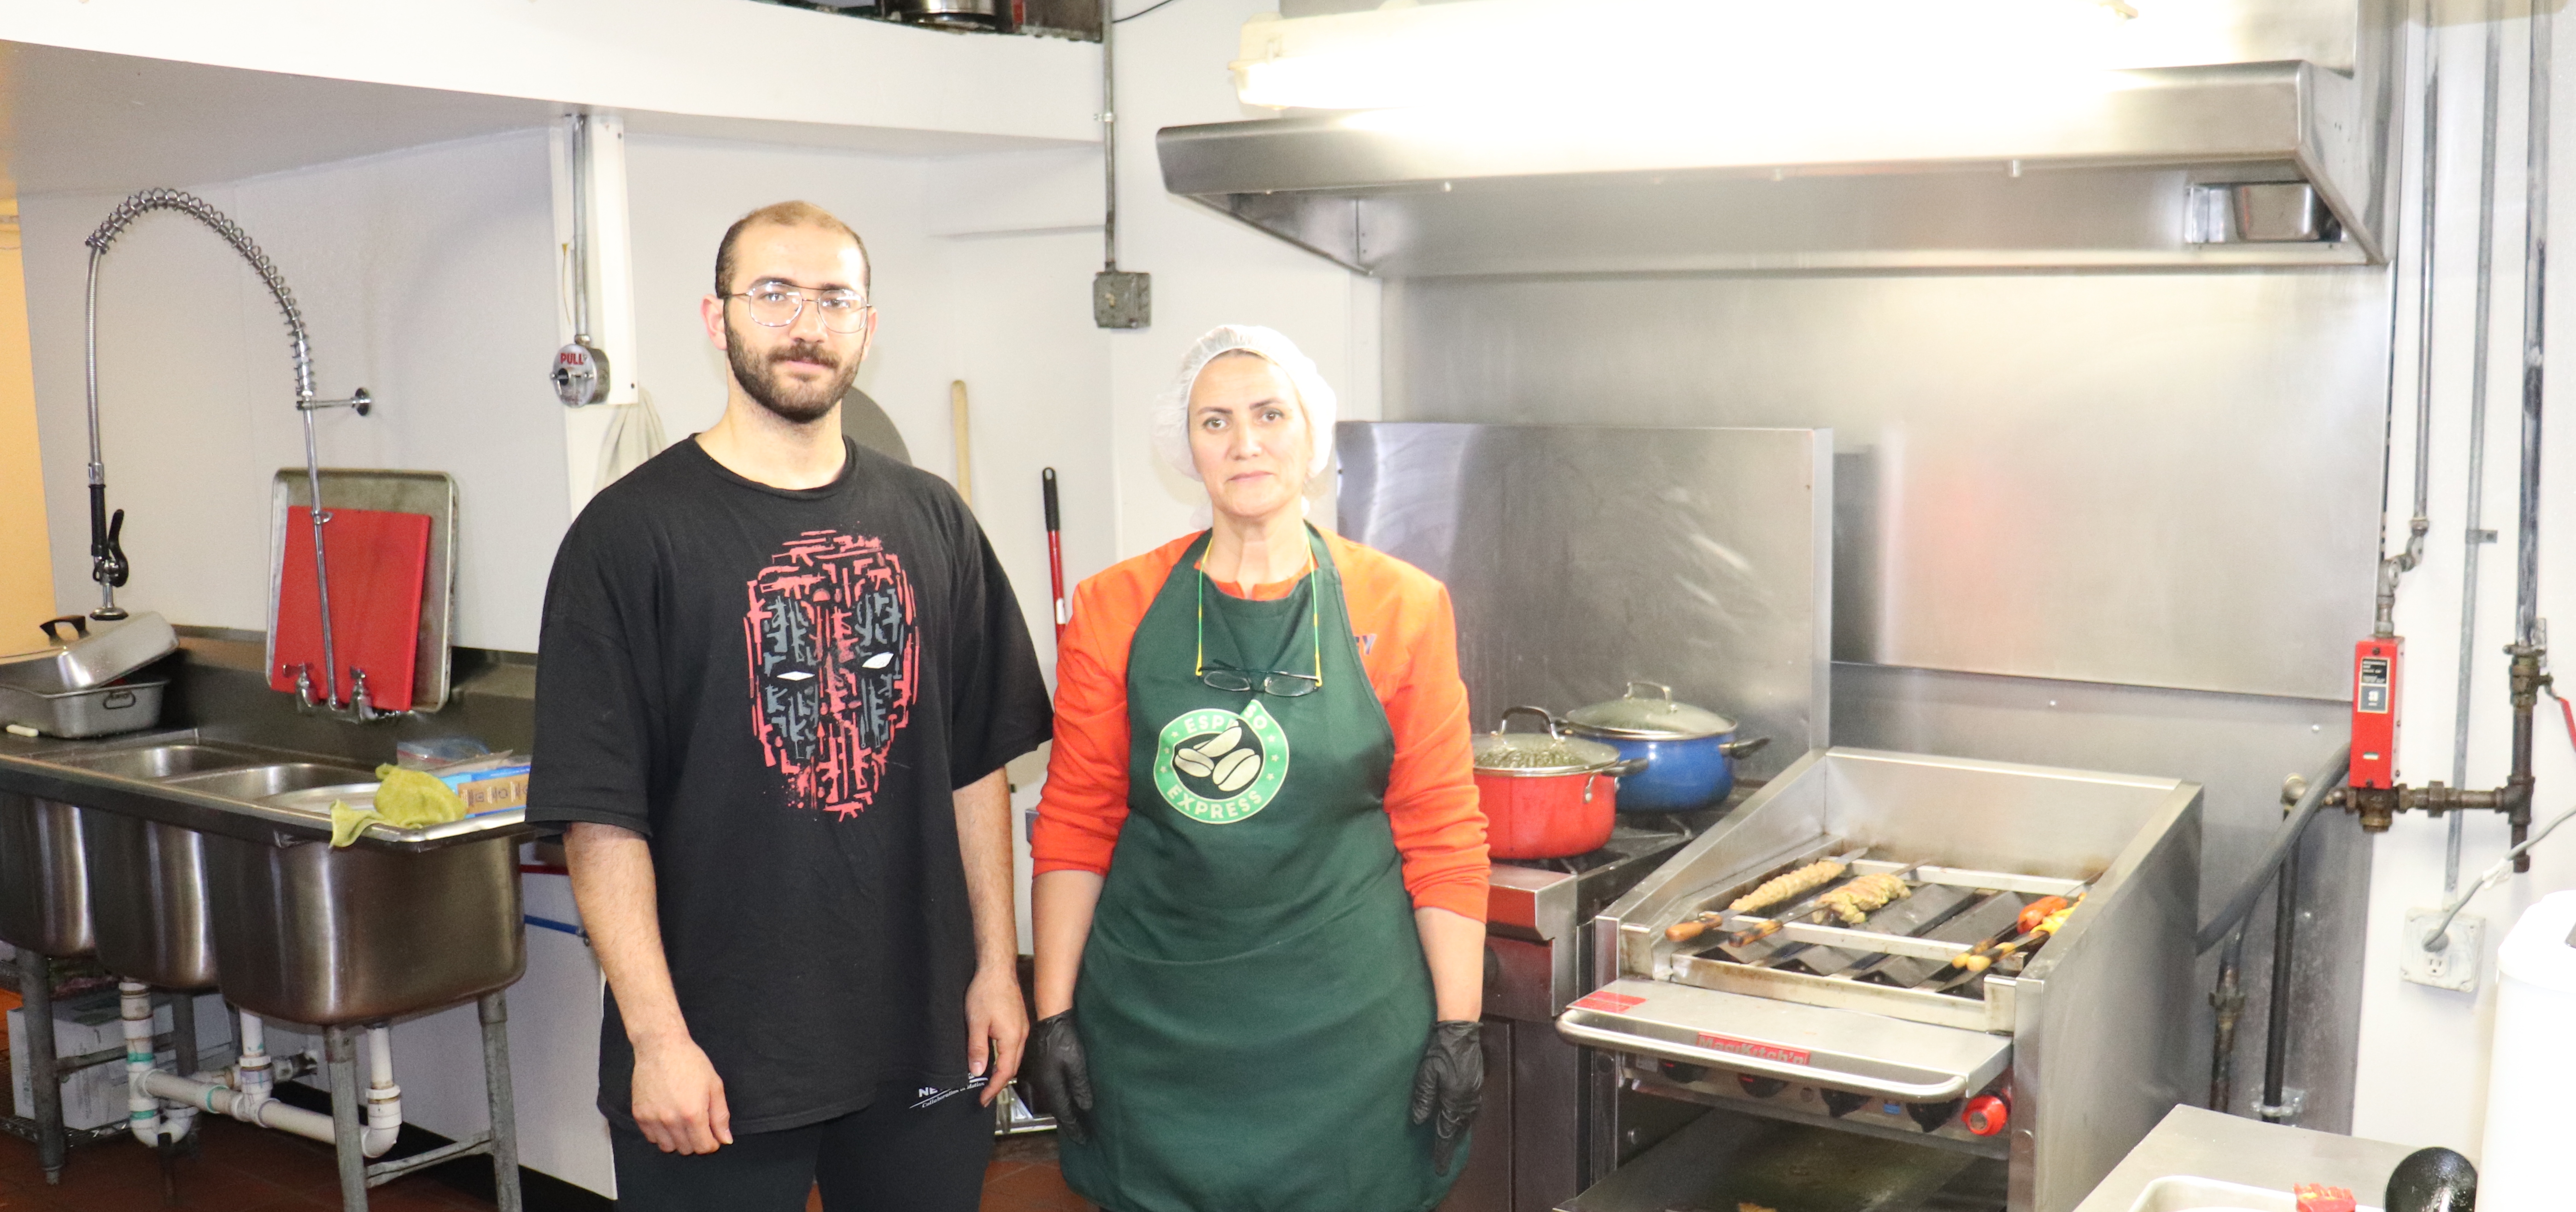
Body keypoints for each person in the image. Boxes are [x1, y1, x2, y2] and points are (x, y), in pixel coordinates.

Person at [527, 200, 1053, 1212]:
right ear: (716, 319)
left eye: (832, 299)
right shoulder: (627, 539)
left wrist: (998, 968)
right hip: (719, 1049)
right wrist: (658, 1038)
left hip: (918, 1033)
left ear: (867, 326)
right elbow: (600, 816)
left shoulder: (934, 518)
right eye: (772, 294)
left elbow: (974, 767)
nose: (804, 324)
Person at [1021, 324, 1490, 1212]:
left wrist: (1459, 1024)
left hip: (1348, 1030)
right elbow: (1078, 818)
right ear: (1185, 445)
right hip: (1156, 1023)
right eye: (1215, 421)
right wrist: (1053, 1011)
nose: (1245, 442)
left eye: (1271, 414)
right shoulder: (1115, 606)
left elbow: (1440, 826)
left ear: (1311, 434)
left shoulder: (1402, 604)